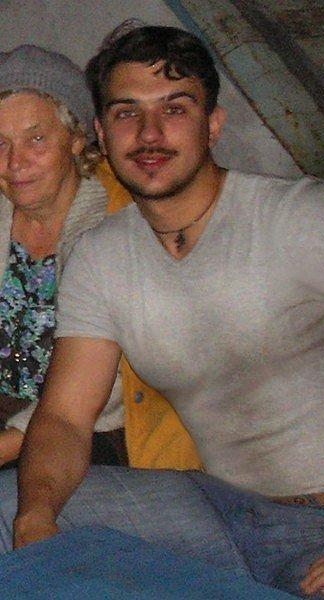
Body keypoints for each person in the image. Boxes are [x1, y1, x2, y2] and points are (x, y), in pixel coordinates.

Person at [1, 25, 324, 600]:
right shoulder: (104, 255)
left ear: (213, 124)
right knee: (7, 507)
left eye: (174, 109)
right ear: (102, 134)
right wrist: (35, 520)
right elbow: (64, 418)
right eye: (128, 113)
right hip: (214, 508)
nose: (149, 134)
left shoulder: (299, 218)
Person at [0, 44, 200, 470]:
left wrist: (6, 444)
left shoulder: (122, 228)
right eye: (0, 143)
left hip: (84, 427)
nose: (15, 163)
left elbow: (102, 390)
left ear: (76, 138)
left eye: (36, 139)